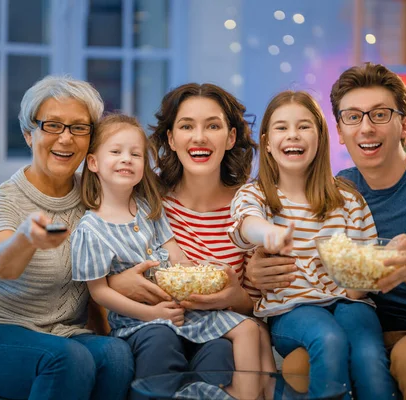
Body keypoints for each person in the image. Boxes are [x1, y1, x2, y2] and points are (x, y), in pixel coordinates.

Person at [247, 62, 406, 400]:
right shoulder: (333, 192)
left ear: (404, 125)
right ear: (339, 130)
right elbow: (293, 254)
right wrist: (258, 271)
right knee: (297, 366)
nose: (366, 128)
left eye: (380, 115)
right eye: (353, 117)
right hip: (352, 326)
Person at [0, 76, 134, 400]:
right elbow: (3, 263)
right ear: (29, 134)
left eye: (78, 127)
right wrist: (26, 238)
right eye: (53, 126)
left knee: (116, 355)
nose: (65, 139)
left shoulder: (93, 196)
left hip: (62, 334)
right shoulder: (3, 200)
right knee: (66, 359)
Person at [72, 113, 273, 400]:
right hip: (138, 321)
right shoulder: (90, 229)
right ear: (93, 163)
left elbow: (178, 256)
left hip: (182, 309)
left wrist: (203, 277)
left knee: (244, 332)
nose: (126, 159)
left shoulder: (150, 209)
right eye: (116, 152)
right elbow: (99, 292)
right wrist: (152, 313)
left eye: (135, 154)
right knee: (161, 338)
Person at [228, 90, 397, 400]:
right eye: (281, 127)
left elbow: (365, 267)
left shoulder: (347, 199)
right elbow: (246, 225)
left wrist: (362, 281)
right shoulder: (256, 196)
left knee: (368, 354)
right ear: (266, 142)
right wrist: (269, 234)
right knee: (328, 337)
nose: (293, 135)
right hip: (292, 309)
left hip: (349, 302)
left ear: (320, 137)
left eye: (304, 126)